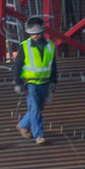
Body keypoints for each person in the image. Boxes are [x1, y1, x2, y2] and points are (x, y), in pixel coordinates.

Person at [10, 15, 55, 145]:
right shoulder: (25, 46)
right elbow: (17, 66)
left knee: (38, 108)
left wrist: (53, 82)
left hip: (44, 82)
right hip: (30, 83)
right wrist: (18, 83)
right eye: (32, 34)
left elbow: (53, 65)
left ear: (42, 32)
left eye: (37, 33)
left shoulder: (49, 46)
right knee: (35, 108)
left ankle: (23, 125)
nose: (35, 36)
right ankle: (38, 135)